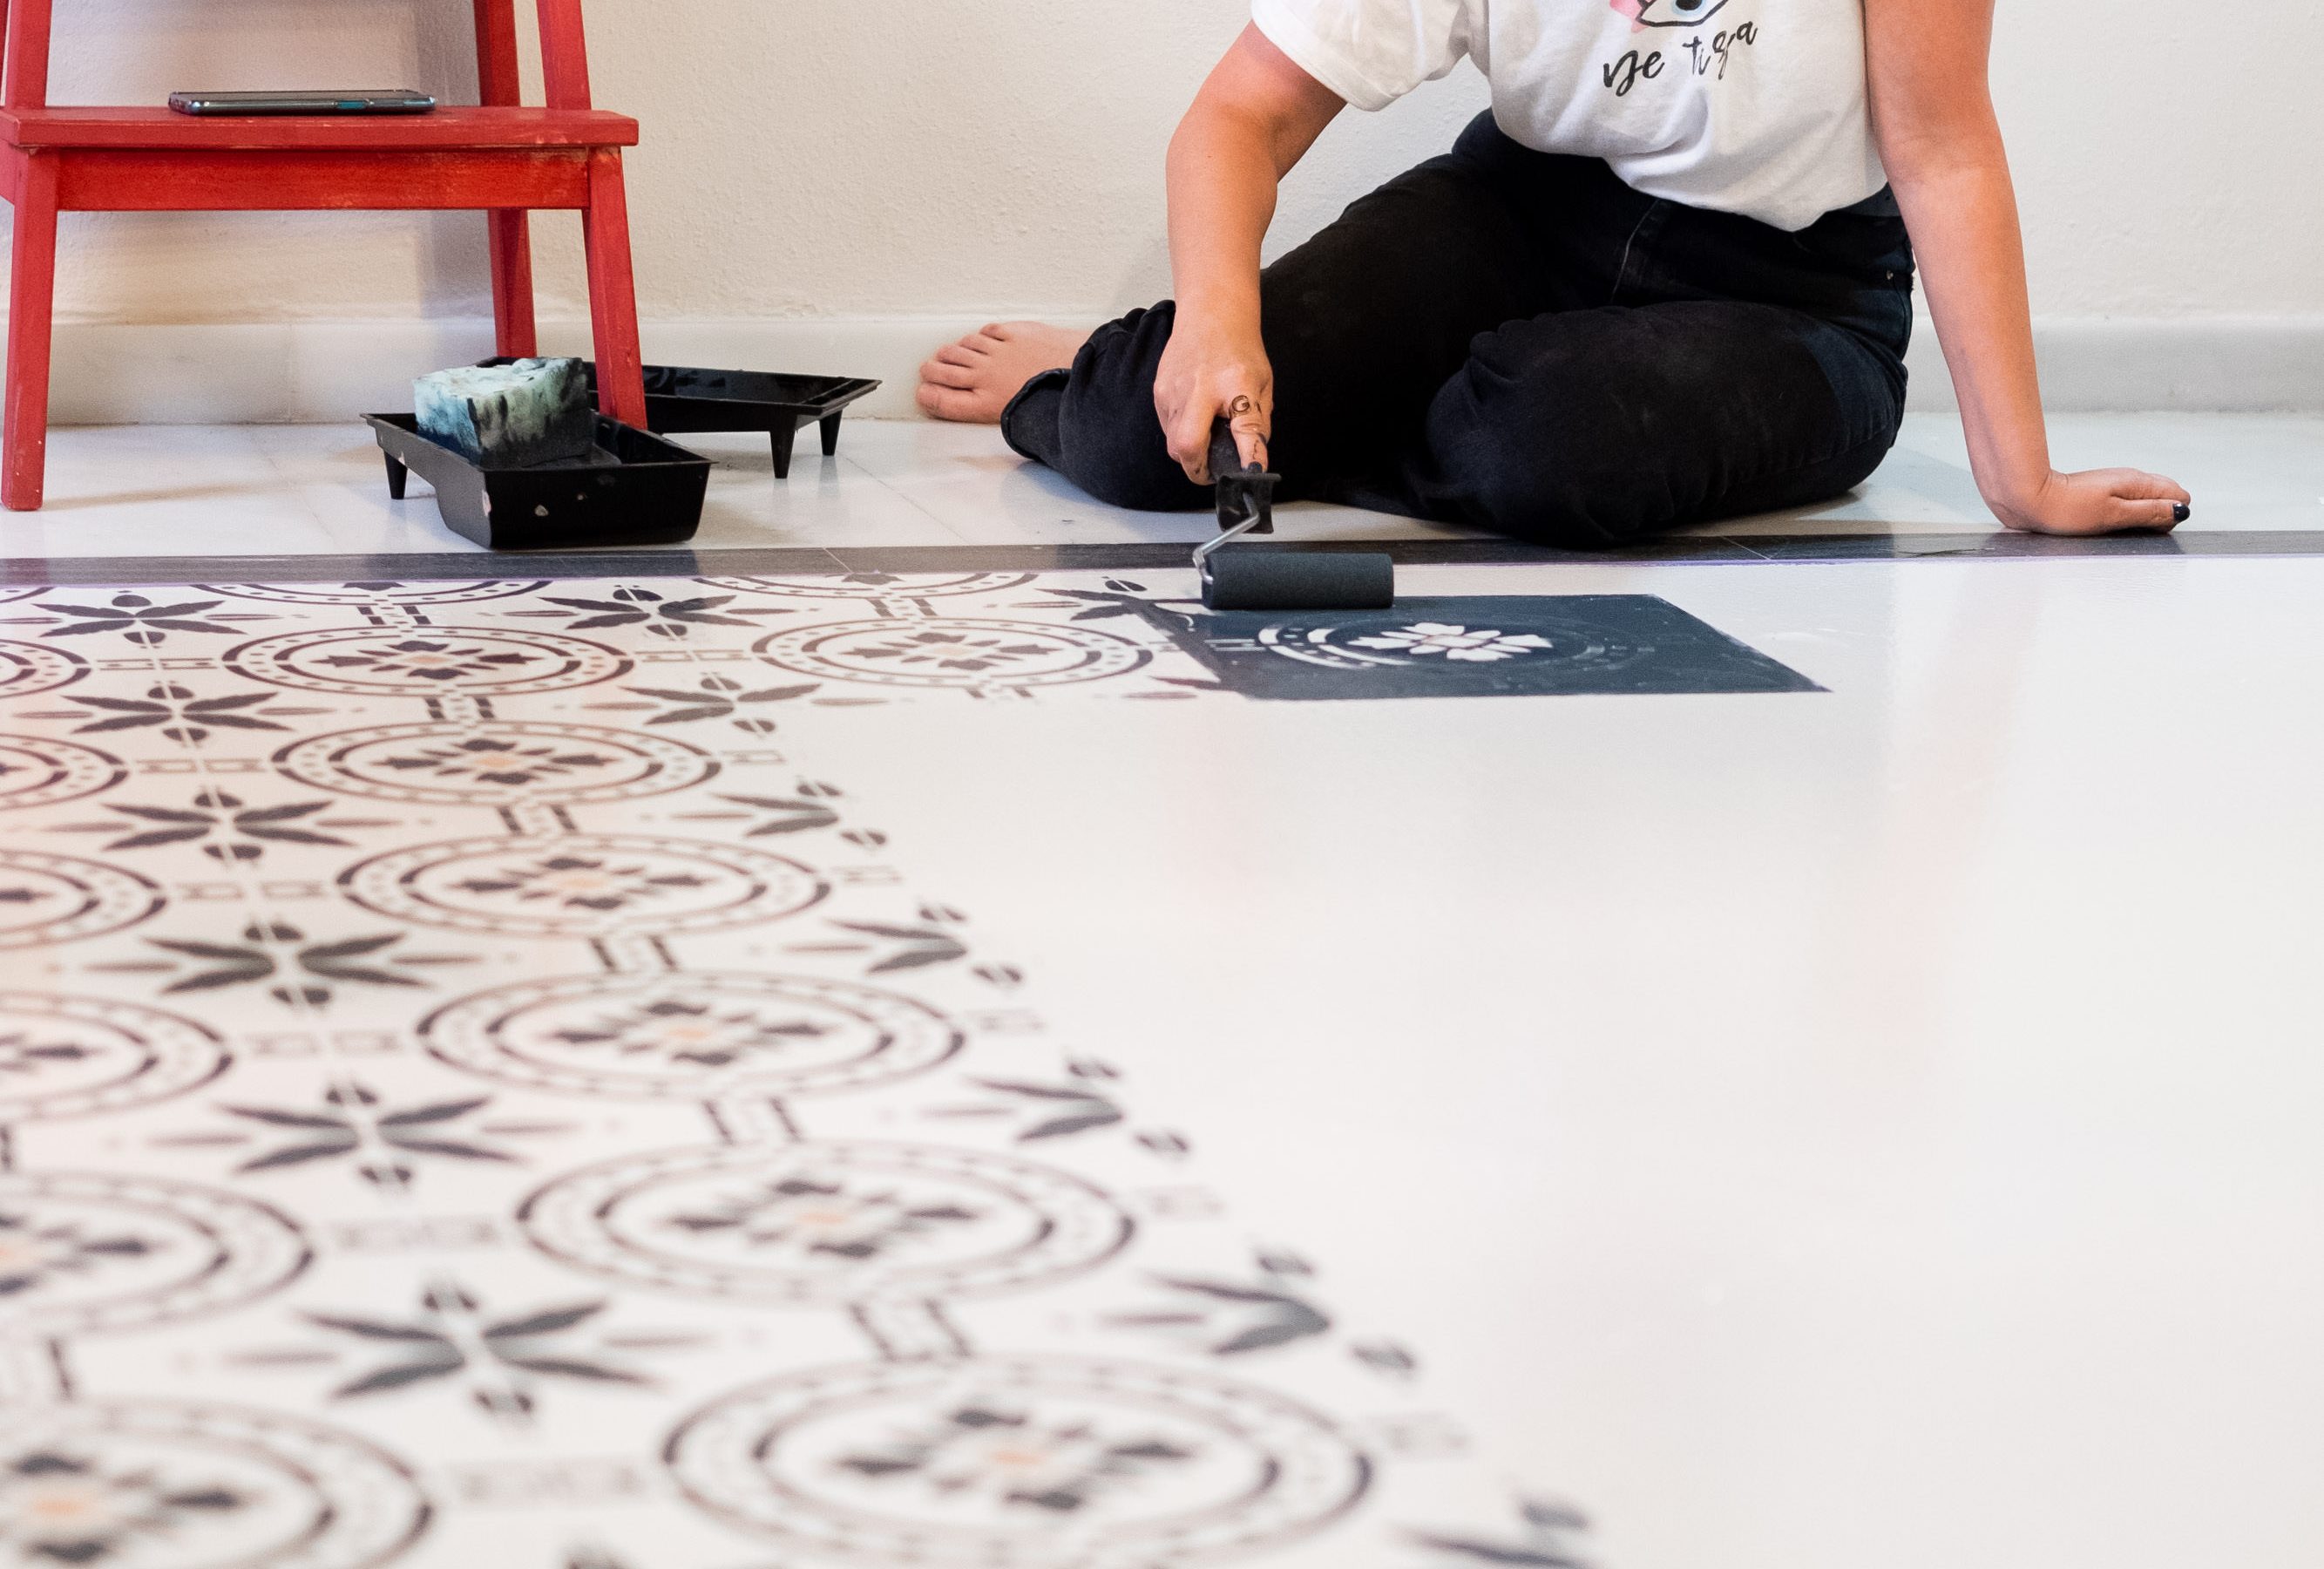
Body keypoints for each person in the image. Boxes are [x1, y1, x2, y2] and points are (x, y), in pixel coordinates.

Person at [915, 0, 2190, 544]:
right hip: (1520, 215)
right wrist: (1213, 322)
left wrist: (2021, 481)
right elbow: (1238, 117)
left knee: (1552, 443)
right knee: (1140, 437)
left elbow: (1945, 152)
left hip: (1797, 297)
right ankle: (1127, 371)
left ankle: (1388, 413)